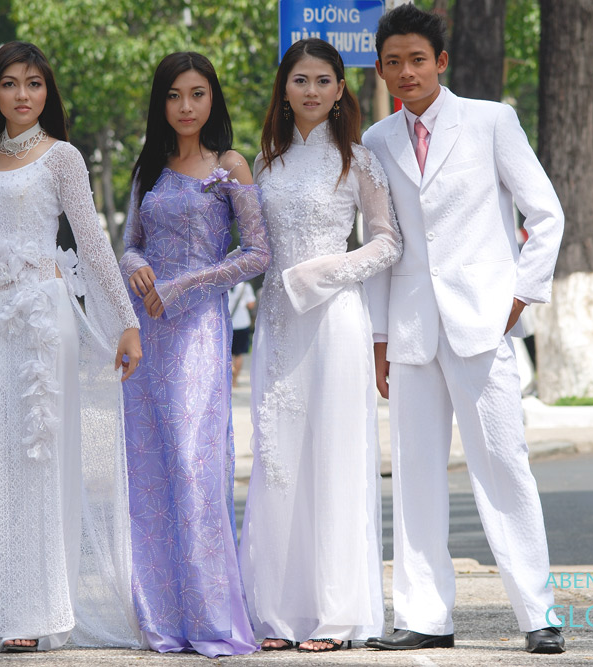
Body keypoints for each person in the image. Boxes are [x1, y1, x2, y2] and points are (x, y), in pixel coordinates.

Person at [361, 4, 566, 655]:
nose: (406, 72)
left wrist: (519, 299)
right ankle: (424, 616)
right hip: (411, 332)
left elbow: (546, 214)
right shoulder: (376, 142)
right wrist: (378, 338)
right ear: (381, 69)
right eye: (393, 62)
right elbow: (380, 244)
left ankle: (539, 613)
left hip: (484, 324)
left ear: (441, 62)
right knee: (415, 476)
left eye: (417, 59)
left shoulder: (491, 121)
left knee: (505, 468)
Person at [0, 41, 143, 654]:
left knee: (34, 463)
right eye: (9, 83)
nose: (22, 95)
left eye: (33, 83)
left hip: (41, 323)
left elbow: (93, 241)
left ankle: (33, 612)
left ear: (47, 92)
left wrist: (126, 321)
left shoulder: (63, 157)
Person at [238, 39, 402, 654]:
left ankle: (337, 613)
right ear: (284, 89)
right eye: (300, 80)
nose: (311, 90)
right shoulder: (264, 162)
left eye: (323, 81)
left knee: (334, 456)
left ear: (340, 90)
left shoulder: (357, 160)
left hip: (335, 319)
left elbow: (387, 242)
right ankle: (278, 613)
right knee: (279, 458)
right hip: (278, 324)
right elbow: (254, 245)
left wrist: (324, 273)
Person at [120, 51, 269, 658]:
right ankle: (161, 618)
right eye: (174, 95)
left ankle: (210, 617)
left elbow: (257, 253)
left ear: (213, 99)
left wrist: (187, 283)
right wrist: (137, 266)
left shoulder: (230, 166)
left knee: (194, 464)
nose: (186, 106)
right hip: (147, 334)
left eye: (197, 94)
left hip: (199, 331)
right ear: (161, 103)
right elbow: (128, 244)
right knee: (149, 470)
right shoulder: (149, 169)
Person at [227, 281, 256, 386]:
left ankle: (229, 377)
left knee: (226, 353)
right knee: (238, 354)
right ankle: (235, 380)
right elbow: (251, 305)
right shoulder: (245, 286)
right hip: (242, 323)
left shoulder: (224, 284)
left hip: (226, 322)